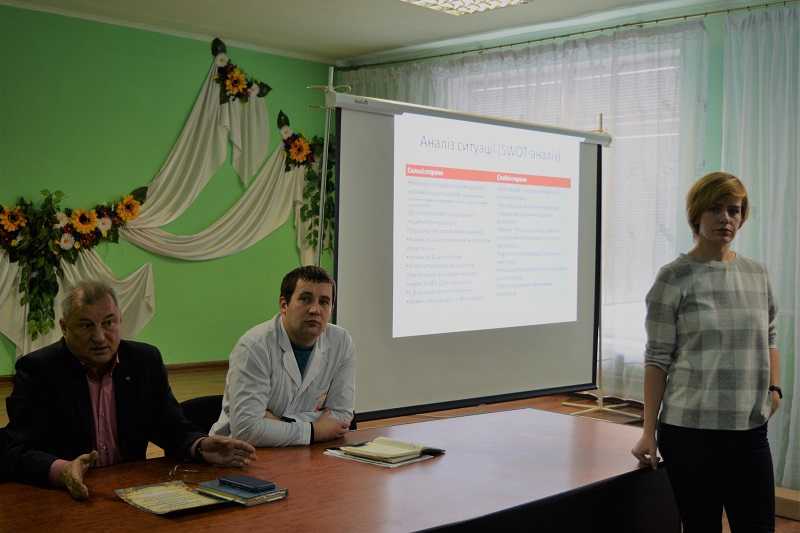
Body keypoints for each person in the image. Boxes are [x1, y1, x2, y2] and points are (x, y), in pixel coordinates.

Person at [4, 280, 256, 500]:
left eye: (108, 323)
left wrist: (200, 446)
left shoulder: (144, 361)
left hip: (130, 490)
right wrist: (61, 470)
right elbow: (13, 450)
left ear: (120, 320)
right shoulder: (38, 370)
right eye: (86, 326)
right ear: (64, 326)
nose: (100, 337)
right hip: (62, 496)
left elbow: (169, 426)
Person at [631, 172, 781, 532]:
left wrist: (775, 390)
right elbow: (657, 359)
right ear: (696, 214)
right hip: (690, 432)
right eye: (715, 209)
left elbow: (770, 337)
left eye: (734, 210)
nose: (726, 218)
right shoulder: (673, 277)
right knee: (701, 526)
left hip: (748, 428)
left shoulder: (757, 274)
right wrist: (648, 431)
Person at [211, 265, 354, 447]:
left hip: (309, 452)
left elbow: (341, 417)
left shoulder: (341, 341)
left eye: (324, 302)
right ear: (284, 305)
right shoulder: (254, 346)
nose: (315, 310)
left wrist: (277, 422)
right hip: (243, 454)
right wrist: (315, 430)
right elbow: (247, 430)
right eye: (305, 299)